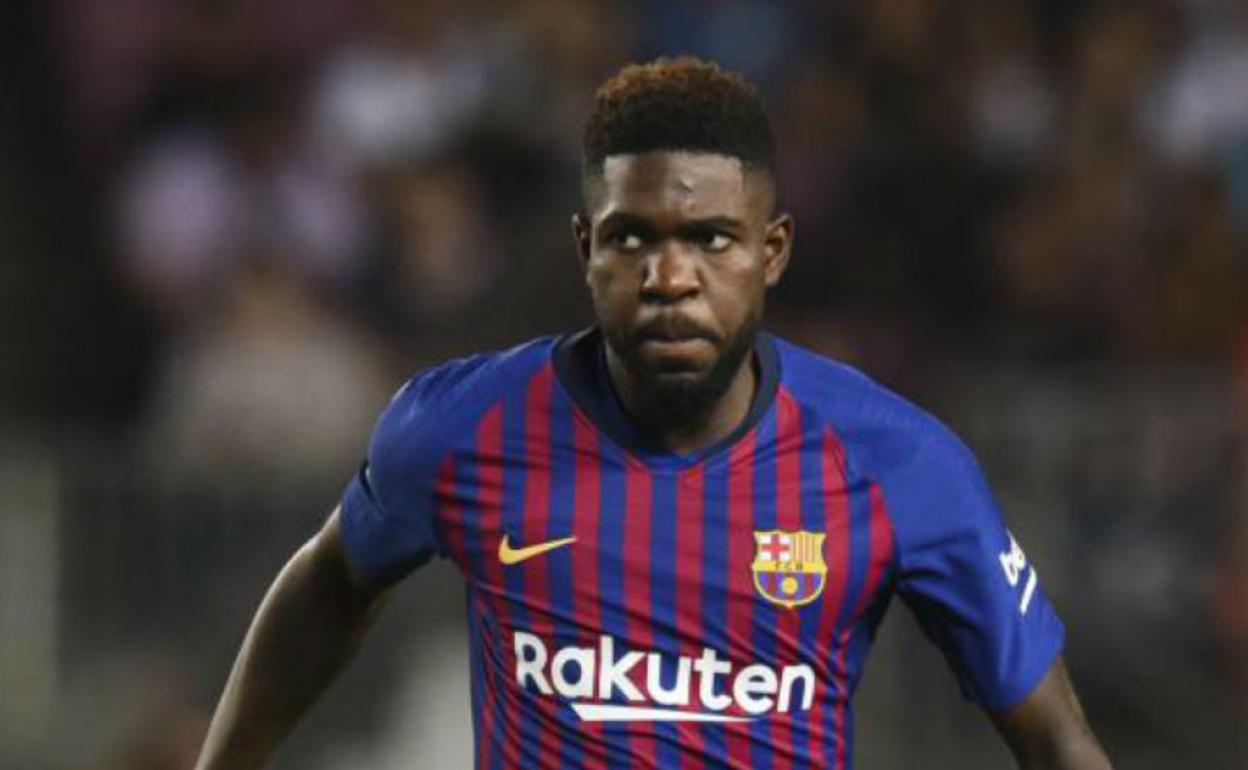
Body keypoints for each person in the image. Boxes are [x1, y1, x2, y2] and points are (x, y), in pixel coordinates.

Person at [194, 57, 1112, 769]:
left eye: (711, 239)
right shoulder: (460, 427)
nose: (671, 278)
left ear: (772, 251)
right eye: (632, 238)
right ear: (585, 249)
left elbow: (1056, 739)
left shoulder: (897, 463)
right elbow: (333, 579)